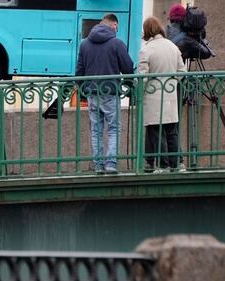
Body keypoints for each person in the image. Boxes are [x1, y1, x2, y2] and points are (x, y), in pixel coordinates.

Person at [76, 14, 135, 174]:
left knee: (96, 129)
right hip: (110, 91)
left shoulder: (85, 44)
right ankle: (111, 164)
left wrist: (83, 90)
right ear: (113, 24)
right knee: (114, 128)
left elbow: (79, 71)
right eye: (116, 26)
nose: (117, 29)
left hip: (92, 92)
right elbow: (128, 68)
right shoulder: (117, 43)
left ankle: (98, 166)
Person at [137, 17, 186, 173]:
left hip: (153, 96)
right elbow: (182, 71)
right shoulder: (172, 46)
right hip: (170, 95)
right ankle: (176, 164)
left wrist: (139, 92)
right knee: (172, 131)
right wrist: (171, 83)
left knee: (156, 131)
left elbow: (142, 77)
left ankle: (163, 165)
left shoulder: (146, 49)